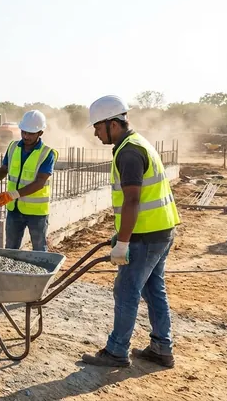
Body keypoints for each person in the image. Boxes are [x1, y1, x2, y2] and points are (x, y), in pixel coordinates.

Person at [81, 94, 181, 368]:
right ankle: (162, 347)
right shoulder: (138, 143)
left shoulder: (128, 152)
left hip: (146, 237)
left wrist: (123, 243)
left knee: (126, 290)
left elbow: (133, 200)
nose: (95, 133)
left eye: (98, 127)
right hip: (161, 230)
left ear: (113, 124)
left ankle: (116, 351)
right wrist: (122, 236)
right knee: (153, 289)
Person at [0, 110, 58, 251]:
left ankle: (40, 272)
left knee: (39, 249)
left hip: (37, 212)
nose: (26, 136)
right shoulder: (13, 147)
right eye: (24, 132)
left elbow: (40, 182)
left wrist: (11, 195)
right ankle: (11, 273)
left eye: (30, 133)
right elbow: (4, 170)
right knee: (10, 248)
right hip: (14, 209)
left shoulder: (47, 153)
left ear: (40, 133)